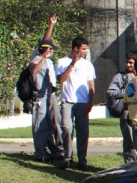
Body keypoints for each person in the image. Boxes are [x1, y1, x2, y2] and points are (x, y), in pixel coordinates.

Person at [56, 36, 96, 170]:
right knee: (67, 128)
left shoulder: (88, 65)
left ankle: (82, 160)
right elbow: (61, 80)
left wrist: (90, 102)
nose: (85, 51)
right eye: (83, 49)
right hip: (67, 102)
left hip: (82, 102)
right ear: (76, 48)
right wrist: (72, 64)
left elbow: (91, 85)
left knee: (83, 131)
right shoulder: (62, 62)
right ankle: (67, 158)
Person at [28, 37, 64, 163]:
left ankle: (51, 150)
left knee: (49, 124)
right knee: (40, 125)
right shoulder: (36, 59)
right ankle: (39, 153)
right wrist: (43, 57)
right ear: (46, 49)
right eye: (51, 49)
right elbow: (33, 70)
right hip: (40, 97)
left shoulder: (49, 61)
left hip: (49, 95)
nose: (53, 51)